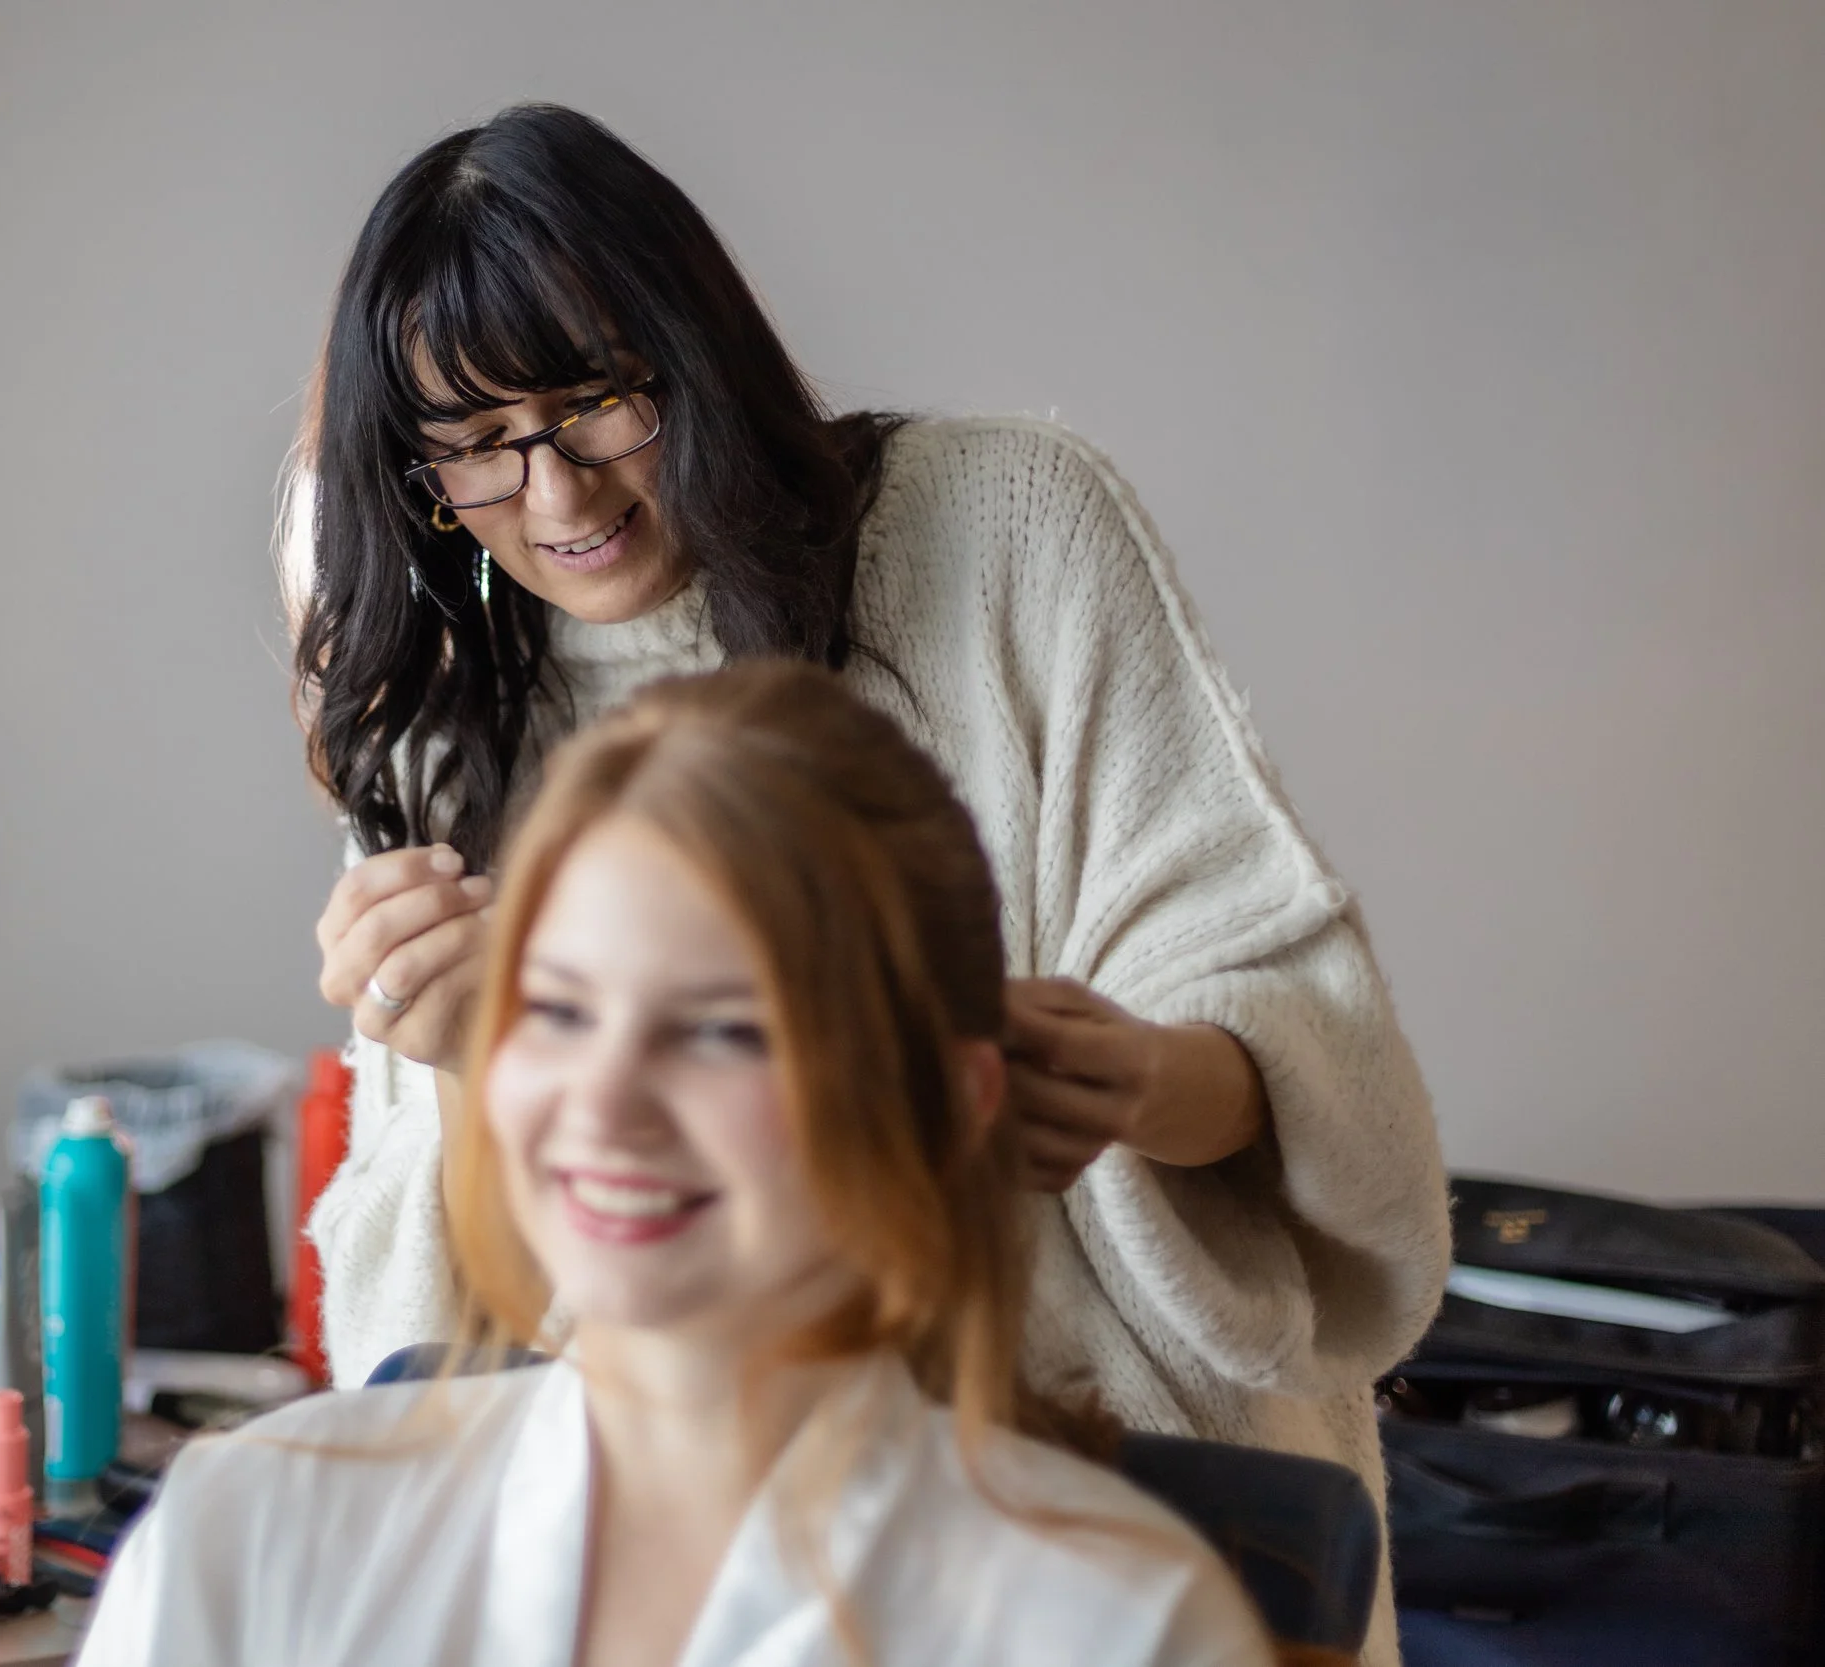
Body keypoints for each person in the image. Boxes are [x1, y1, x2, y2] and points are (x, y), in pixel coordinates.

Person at [291, 104, 1448, 1662]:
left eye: (598, 405)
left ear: (694, 353)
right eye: (483, 446)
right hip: (693, 1571)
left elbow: (1297, 1027)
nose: (556, 497)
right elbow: (425, 1338)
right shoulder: (451, 703)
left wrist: (1141, 1082)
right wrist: (458, 1070)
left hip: (1110, 1500)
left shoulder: (1001, 530)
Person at [82, 664, 1277, 1667]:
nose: (604, 1101)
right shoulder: (245, 1538)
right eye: (555, 1010)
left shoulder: (1122, 1628)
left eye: (721, 1029)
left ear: (945, 1103)